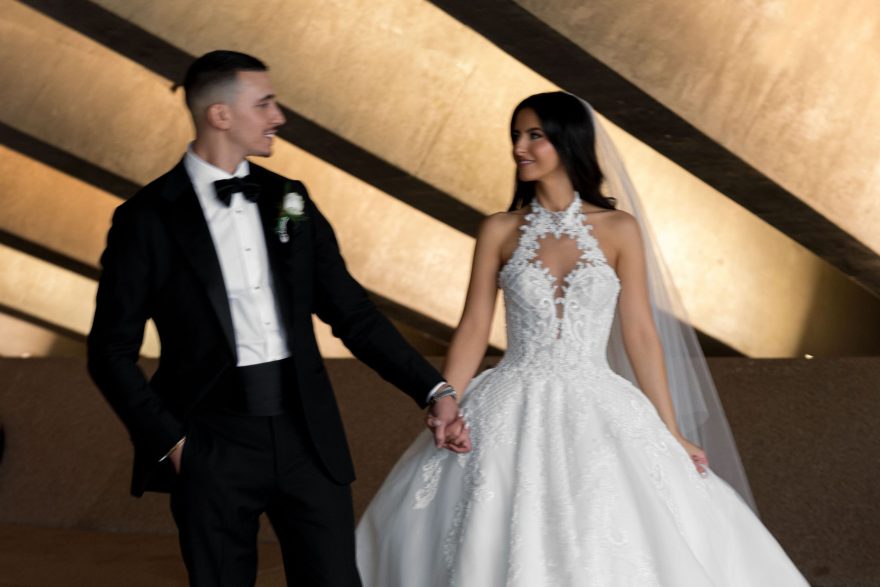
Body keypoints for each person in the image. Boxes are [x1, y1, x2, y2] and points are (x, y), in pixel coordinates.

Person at [355, 92, 809, 586]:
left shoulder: (619, 228)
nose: (519, 148)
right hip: (508, 398)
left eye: (534, 136)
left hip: (598, 397)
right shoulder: (499, 229)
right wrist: (448, 402)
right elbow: (473, 327)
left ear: (568, 141)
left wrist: (671, 429)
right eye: (515, 136)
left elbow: (640, 333)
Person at [87, 49, 469, 587]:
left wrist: (433, 390)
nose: (278, 117)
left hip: (305, 434)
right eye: (264, 104)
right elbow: (109, 351)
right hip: (211, 440)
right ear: (220, 115)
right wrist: (174, 444)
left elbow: (353, 313)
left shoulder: (290, 199)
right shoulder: (145, 218)